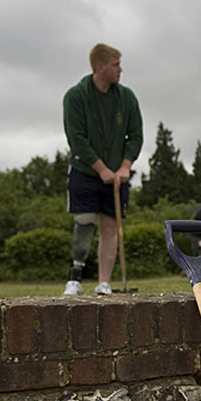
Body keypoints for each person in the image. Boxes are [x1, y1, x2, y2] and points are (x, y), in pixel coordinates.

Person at [62, 43, 143, 296]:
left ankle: (103, 282)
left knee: (110, 227)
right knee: (84, 223)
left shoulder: (127, 98)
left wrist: (124, 166)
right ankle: (75, 277)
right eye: (115, 64)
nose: (120, 69)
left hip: (117, 176)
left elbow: (136, 136)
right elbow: (77, 139)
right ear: (100, 67)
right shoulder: (75, 96)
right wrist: (101, 169)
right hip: (85, 172)